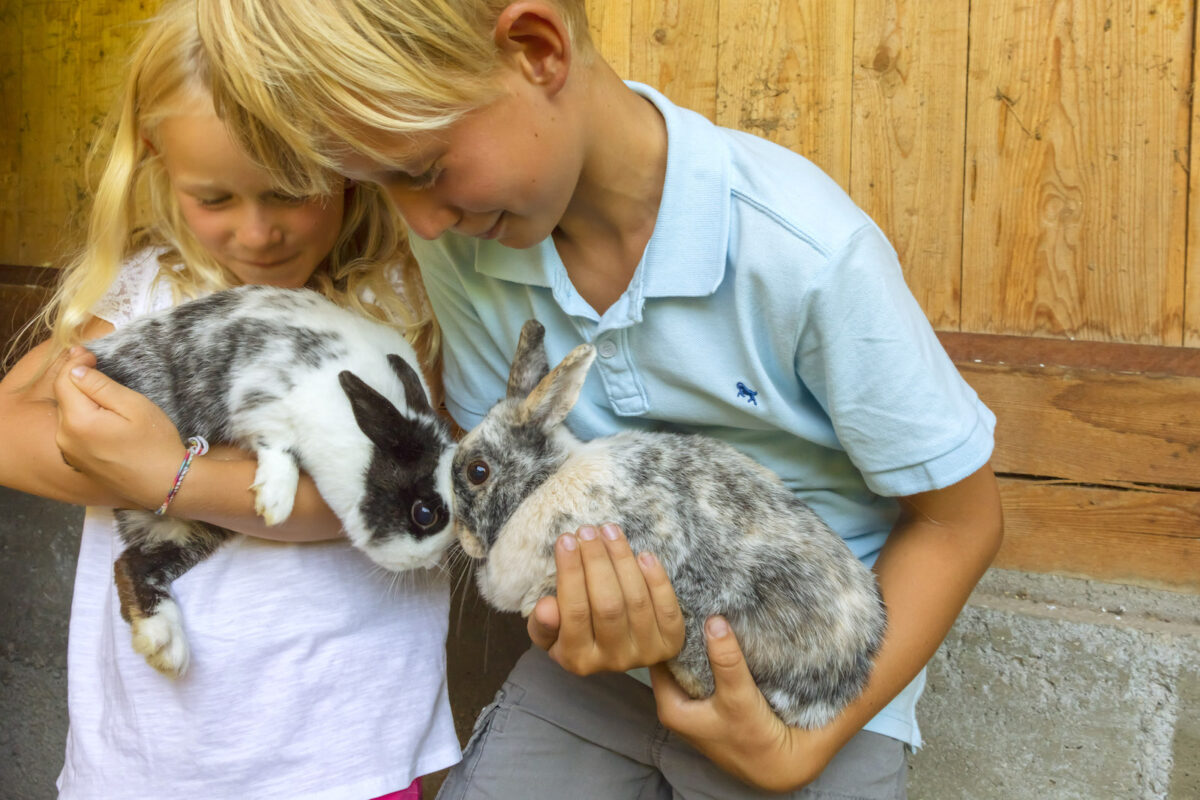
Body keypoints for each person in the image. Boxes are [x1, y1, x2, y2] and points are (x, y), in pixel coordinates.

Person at [194, 0, 1005, 797]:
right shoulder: (468, 239)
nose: (421, 223)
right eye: (380, 187)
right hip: (602, 672)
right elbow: (507, 473)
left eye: (424, 171)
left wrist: (802, 745)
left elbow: (959, 520)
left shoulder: (807, 254)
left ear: (538, 49)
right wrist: (559, 611)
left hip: (800, 682)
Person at [0, 2, 460, 797]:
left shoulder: (396, 304)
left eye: (291, 191)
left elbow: (395, 502)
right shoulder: (151, 293)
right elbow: (10, 428)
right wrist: (138, 463)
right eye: (215, 199)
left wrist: (171, 476)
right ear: (156, 165)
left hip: (344, 752)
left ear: (347, 161)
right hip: (157, 759)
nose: (257, 235)